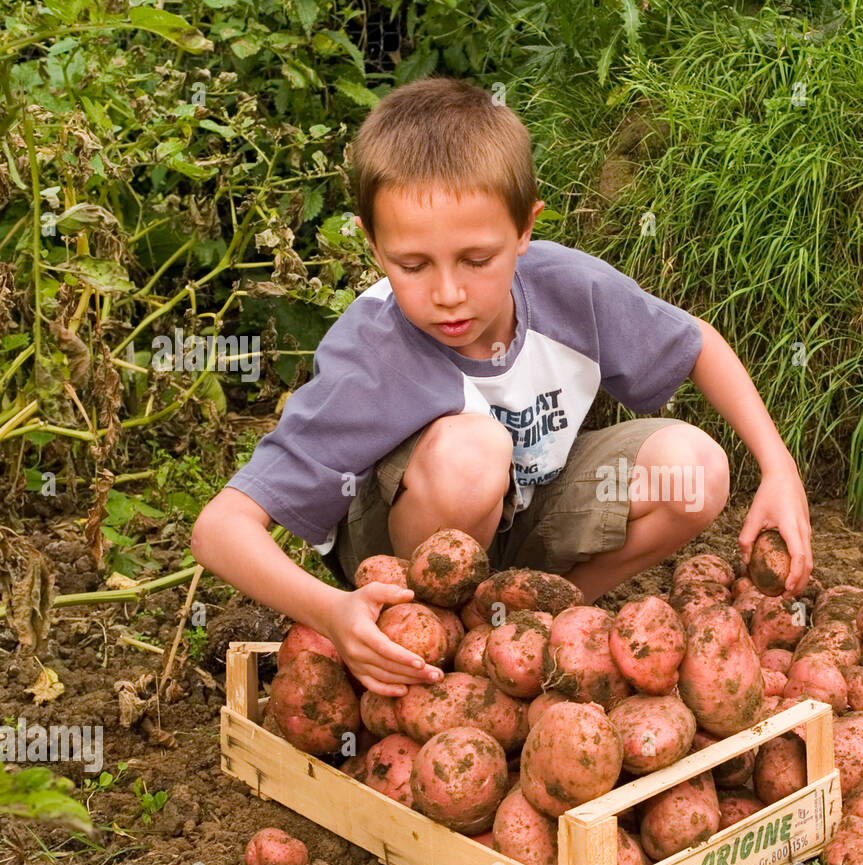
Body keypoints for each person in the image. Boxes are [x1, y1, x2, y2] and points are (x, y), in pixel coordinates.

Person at [192, 76, 813, 697]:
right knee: (473, 454)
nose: (448, 293)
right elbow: (220, 529)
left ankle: (538, 627)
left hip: (527, 520)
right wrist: (329, 611)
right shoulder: (372, 354)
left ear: (524, 229)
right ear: (373, 244)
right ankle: (429, 639)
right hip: (403, 565)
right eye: (413, 265)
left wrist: (778, 468)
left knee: (696, 468)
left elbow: (697, 342)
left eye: (476, 259)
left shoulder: (566, 289)